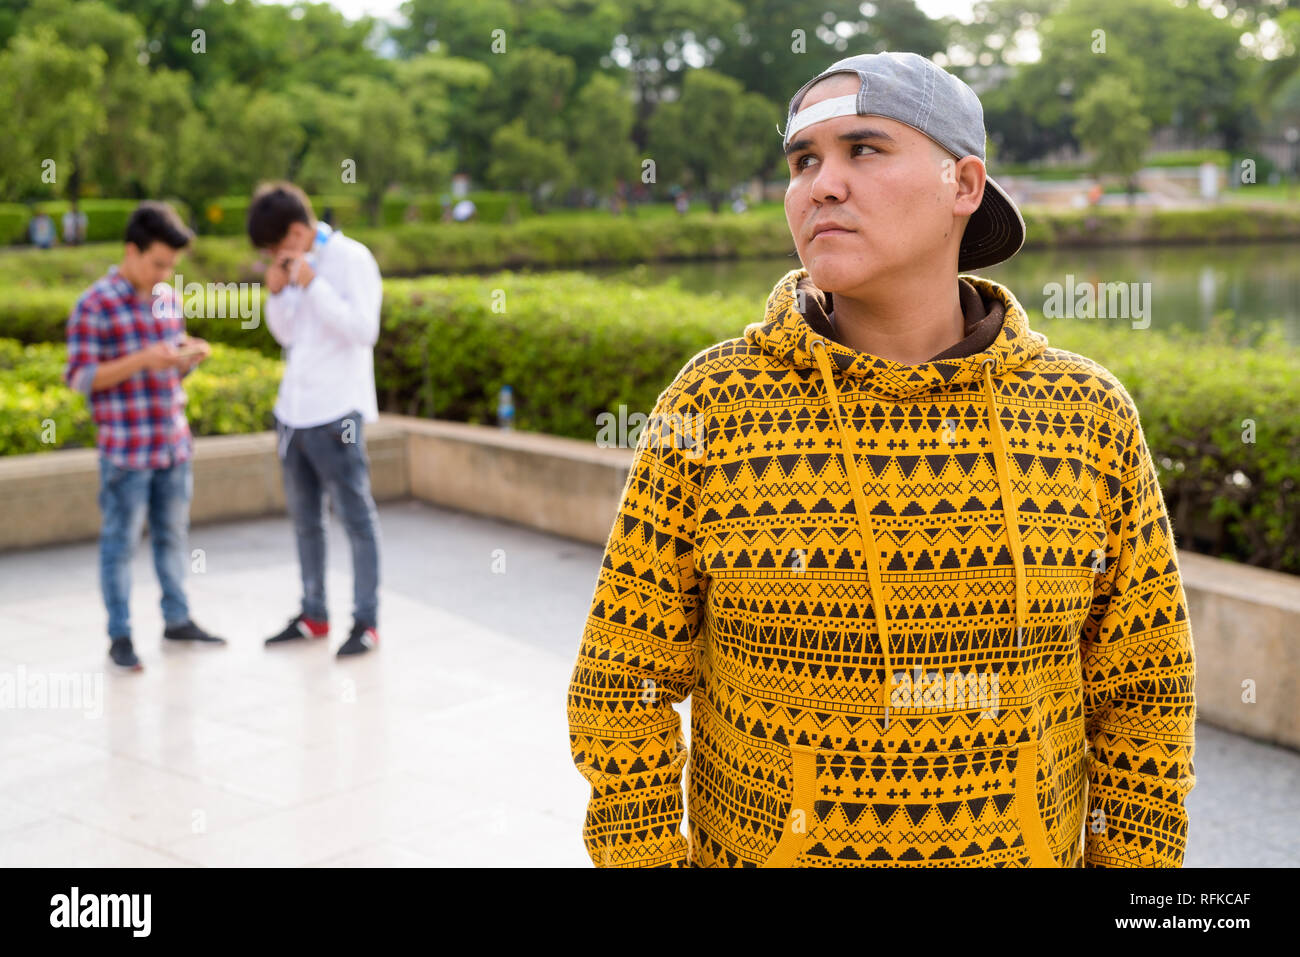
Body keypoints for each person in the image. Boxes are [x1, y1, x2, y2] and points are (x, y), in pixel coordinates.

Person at [567, 51, 1196, 868]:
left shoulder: (1086, 414)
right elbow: (623, 684)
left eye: (863, 150)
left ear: (963, 186)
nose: (821, 185)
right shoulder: (713, 405)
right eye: (804, 161)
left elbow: (1145, 693)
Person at [63, 201, 223, 671]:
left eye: (171, 266)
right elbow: (79, 378)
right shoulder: (94, 304)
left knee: (174, 537)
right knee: (119, 545)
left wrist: (186, 359)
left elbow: (166, 370)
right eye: (158, 264)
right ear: (131, 251)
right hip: (126, 450)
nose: (164, 274)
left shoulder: (167, 298)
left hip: (172, 443)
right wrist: (143, 360)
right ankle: (120, 635)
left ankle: (177, 618)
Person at [246, 181, 383, 657]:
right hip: (293, 413)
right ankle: (313, 614)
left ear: (301, 231)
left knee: (356, 520)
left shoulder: (352, 259)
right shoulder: (292, 265)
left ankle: (365, 623)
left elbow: (364, 330)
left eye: (279, 245)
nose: (276, 254)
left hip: (336, 412)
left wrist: (312, 285)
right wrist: (278, 294)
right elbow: (287, 336)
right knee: (306, 522)